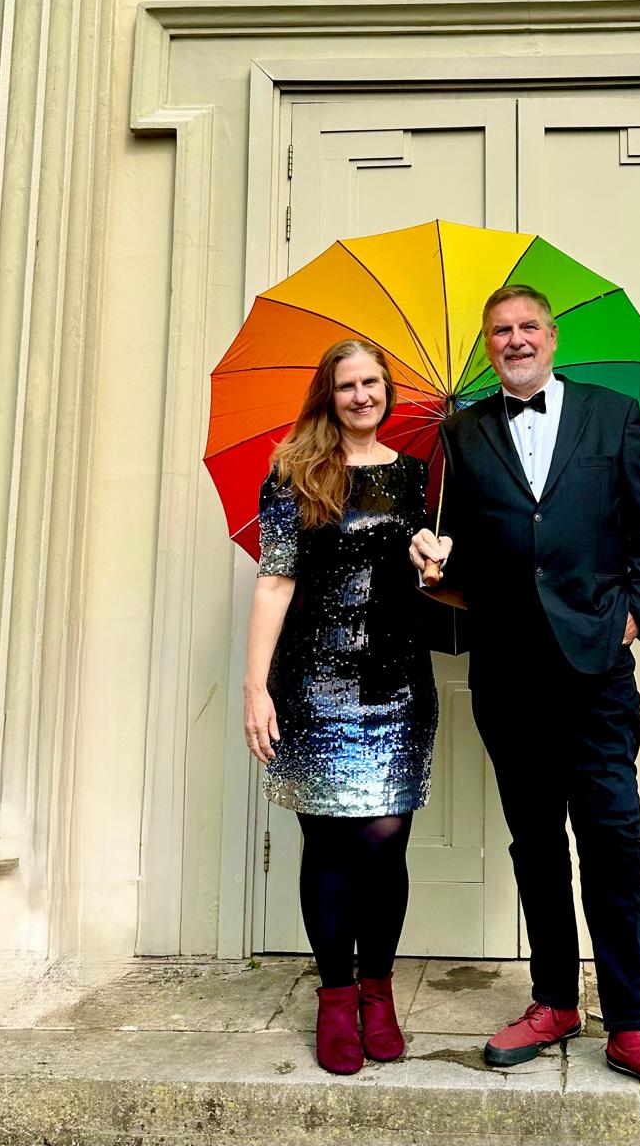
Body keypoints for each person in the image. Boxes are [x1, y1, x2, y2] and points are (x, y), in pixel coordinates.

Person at [410, 284, 640, 1104]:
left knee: (611, 839)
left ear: (550, 338)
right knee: (535, 843)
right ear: (487, 347)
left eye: (526, 328)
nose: (514, 340)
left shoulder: (610, 415)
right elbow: (464, 551)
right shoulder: (461, 432)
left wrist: (633, 616)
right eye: (499, 331)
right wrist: (436, 565)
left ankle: (632, 1025)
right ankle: (553, 1002)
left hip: (595, 669)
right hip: (506, 670)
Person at [244, 339, 436, 1075]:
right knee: (326, 845)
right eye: (348, 384)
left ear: (388, 390)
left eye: (372, 382)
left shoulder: (415, 474)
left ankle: (377, 994)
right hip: (312, 682)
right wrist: (255, 687)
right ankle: (334, 998)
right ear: (328, 394)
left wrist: (430, 560)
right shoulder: (293, 472)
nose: (362, 395)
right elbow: (274, 581)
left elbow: (425, 577)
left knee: (385, 841)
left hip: (396, 682)